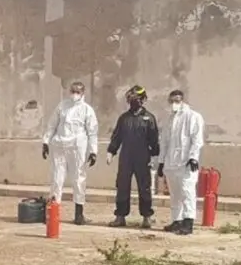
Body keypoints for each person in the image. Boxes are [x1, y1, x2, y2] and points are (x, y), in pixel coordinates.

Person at [41, 81, 98, 225]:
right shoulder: (62, 106)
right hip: (59, 144)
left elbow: (92, 132)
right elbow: (52, 124)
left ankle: (79, 214)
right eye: (72, 91)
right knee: (56, 178)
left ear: (83, 93)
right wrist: (46, 141)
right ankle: (53, 213)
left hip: (77, 146)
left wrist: (93, 151)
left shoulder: (87, 110)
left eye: (78, 91)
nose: (74, 94)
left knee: (79, 178)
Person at [105, 85, 159, 229]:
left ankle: (147, 217)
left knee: (144, 188)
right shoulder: (124, 118)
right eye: (131, 100)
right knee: (122, 186)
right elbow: (117, 137)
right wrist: (111, 151)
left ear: (143, 100)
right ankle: (120, 216)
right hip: (126, 158)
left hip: (143, 158)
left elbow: (154, 140)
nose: (134, 103)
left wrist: (155, 157)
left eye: (137, 100)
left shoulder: (149, 119)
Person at [157, 89, 205, 235]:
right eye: (171, 101)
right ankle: (176, 220)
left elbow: (197, 139)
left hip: (186, 163)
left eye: (177, 101)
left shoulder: (193, 117)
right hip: (171, 163)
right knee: (174, 193)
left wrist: (193, 157)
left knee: (187, 192)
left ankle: (188, 221)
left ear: (182, 100)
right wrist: (161, 162)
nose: (174, 104)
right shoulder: (170, 119)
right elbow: (164, 141)